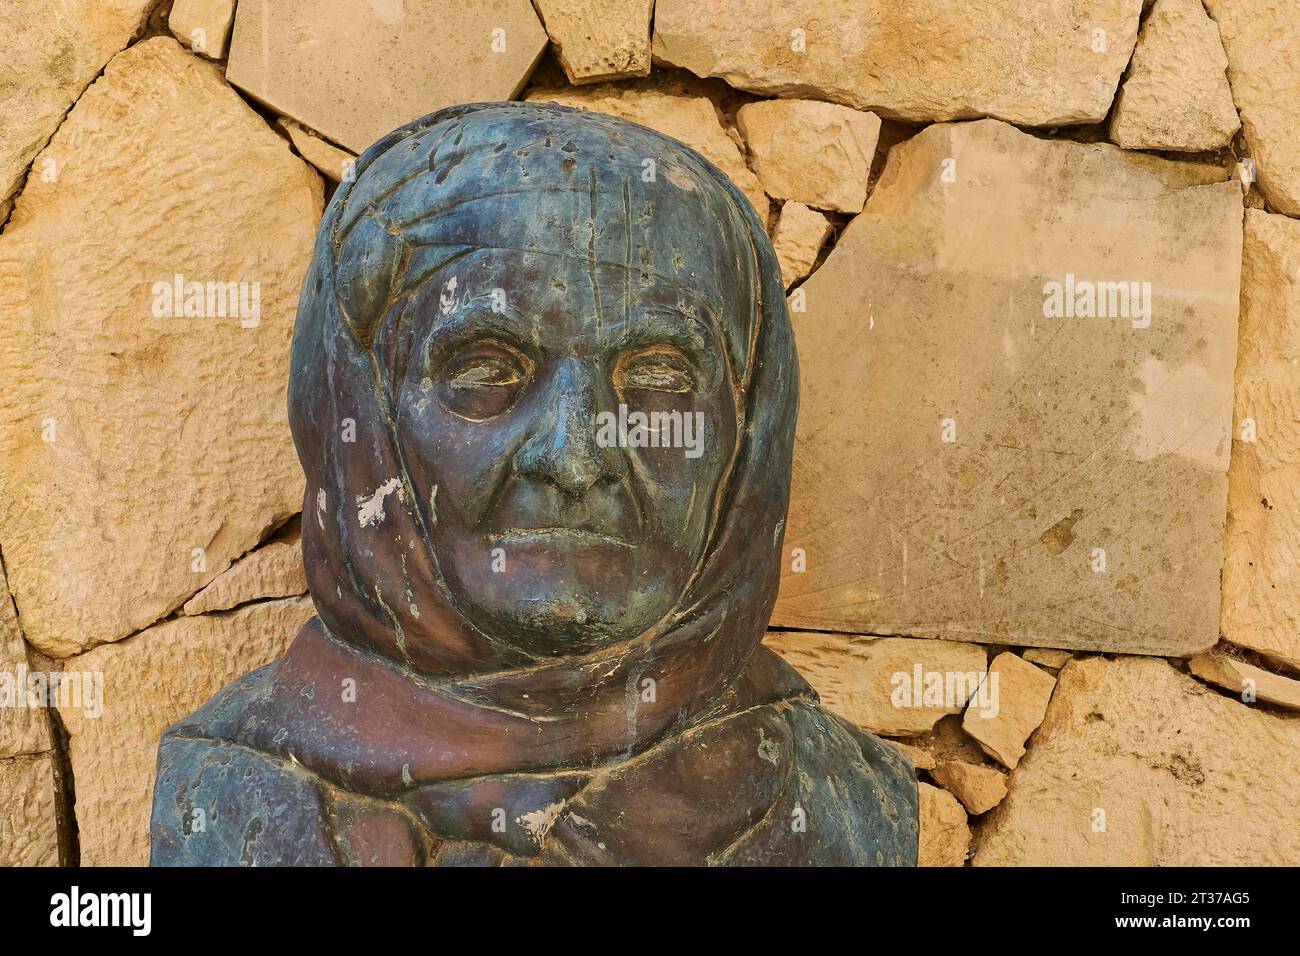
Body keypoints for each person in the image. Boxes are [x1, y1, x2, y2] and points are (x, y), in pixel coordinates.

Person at [150, 102, 918, 866]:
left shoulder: (841, 803)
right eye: (484, 371)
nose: (576, 455)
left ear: (749, 424)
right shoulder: (229, 790)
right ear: (361, 416)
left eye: (657, 376)